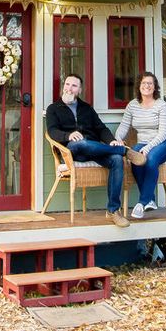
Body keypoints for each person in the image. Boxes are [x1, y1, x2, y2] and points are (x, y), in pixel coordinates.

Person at [46, 73, 145, 228]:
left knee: (116, 160)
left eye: (74, 86)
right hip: (72, 150)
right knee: (83, 143)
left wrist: (111, 141)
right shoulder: (53, 108)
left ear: (79, 90)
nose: (69, 89)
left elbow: (101, 128)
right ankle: (124, 151)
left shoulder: (86, 108)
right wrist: (69, 135)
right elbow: (52, 132)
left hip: (95, 149)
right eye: (67, 84)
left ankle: (113, 210)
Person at [114, 71, 166, 219]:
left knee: (151, 159)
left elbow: (162, 133)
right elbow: (123, 126)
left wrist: (147, 148)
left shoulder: (162, 105)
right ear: (139, 86)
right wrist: (118, 138)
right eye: (143, 83)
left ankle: (142, 203)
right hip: (142, 143)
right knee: (135, 159)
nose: (146, 86)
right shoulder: (133, 105)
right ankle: (150, 200)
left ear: (155, 87)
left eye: (150, 83)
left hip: (163, 143)